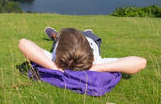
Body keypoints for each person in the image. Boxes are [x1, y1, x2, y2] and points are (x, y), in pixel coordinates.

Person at [18, 27, 147, 75]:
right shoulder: (97, 63)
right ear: (93, 58)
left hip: (74, 41)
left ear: (57, 56)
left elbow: (23, 43)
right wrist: (96, 68)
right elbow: (141, 62)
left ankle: (57, 37)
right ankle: (85, 33)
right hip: (90, 41)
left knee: (63, 38)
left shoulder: (55, 59)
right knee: (87, 34)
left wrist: (53, 67)